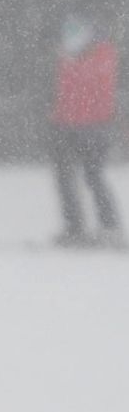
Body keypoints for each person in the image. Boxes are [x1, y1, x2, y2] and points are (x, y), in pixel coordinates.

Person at [52, 16, 121, 248]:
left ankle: (110, 227)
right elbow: (66, 95)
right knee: (63, 177)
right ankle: (74, 227)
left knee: (93, 176)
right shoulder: (70, 60)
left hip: (95, 127)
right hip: (69, 126)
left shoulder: (102, 56)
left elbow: (91, 85)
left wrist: (71, 63)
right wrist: (59, 119)